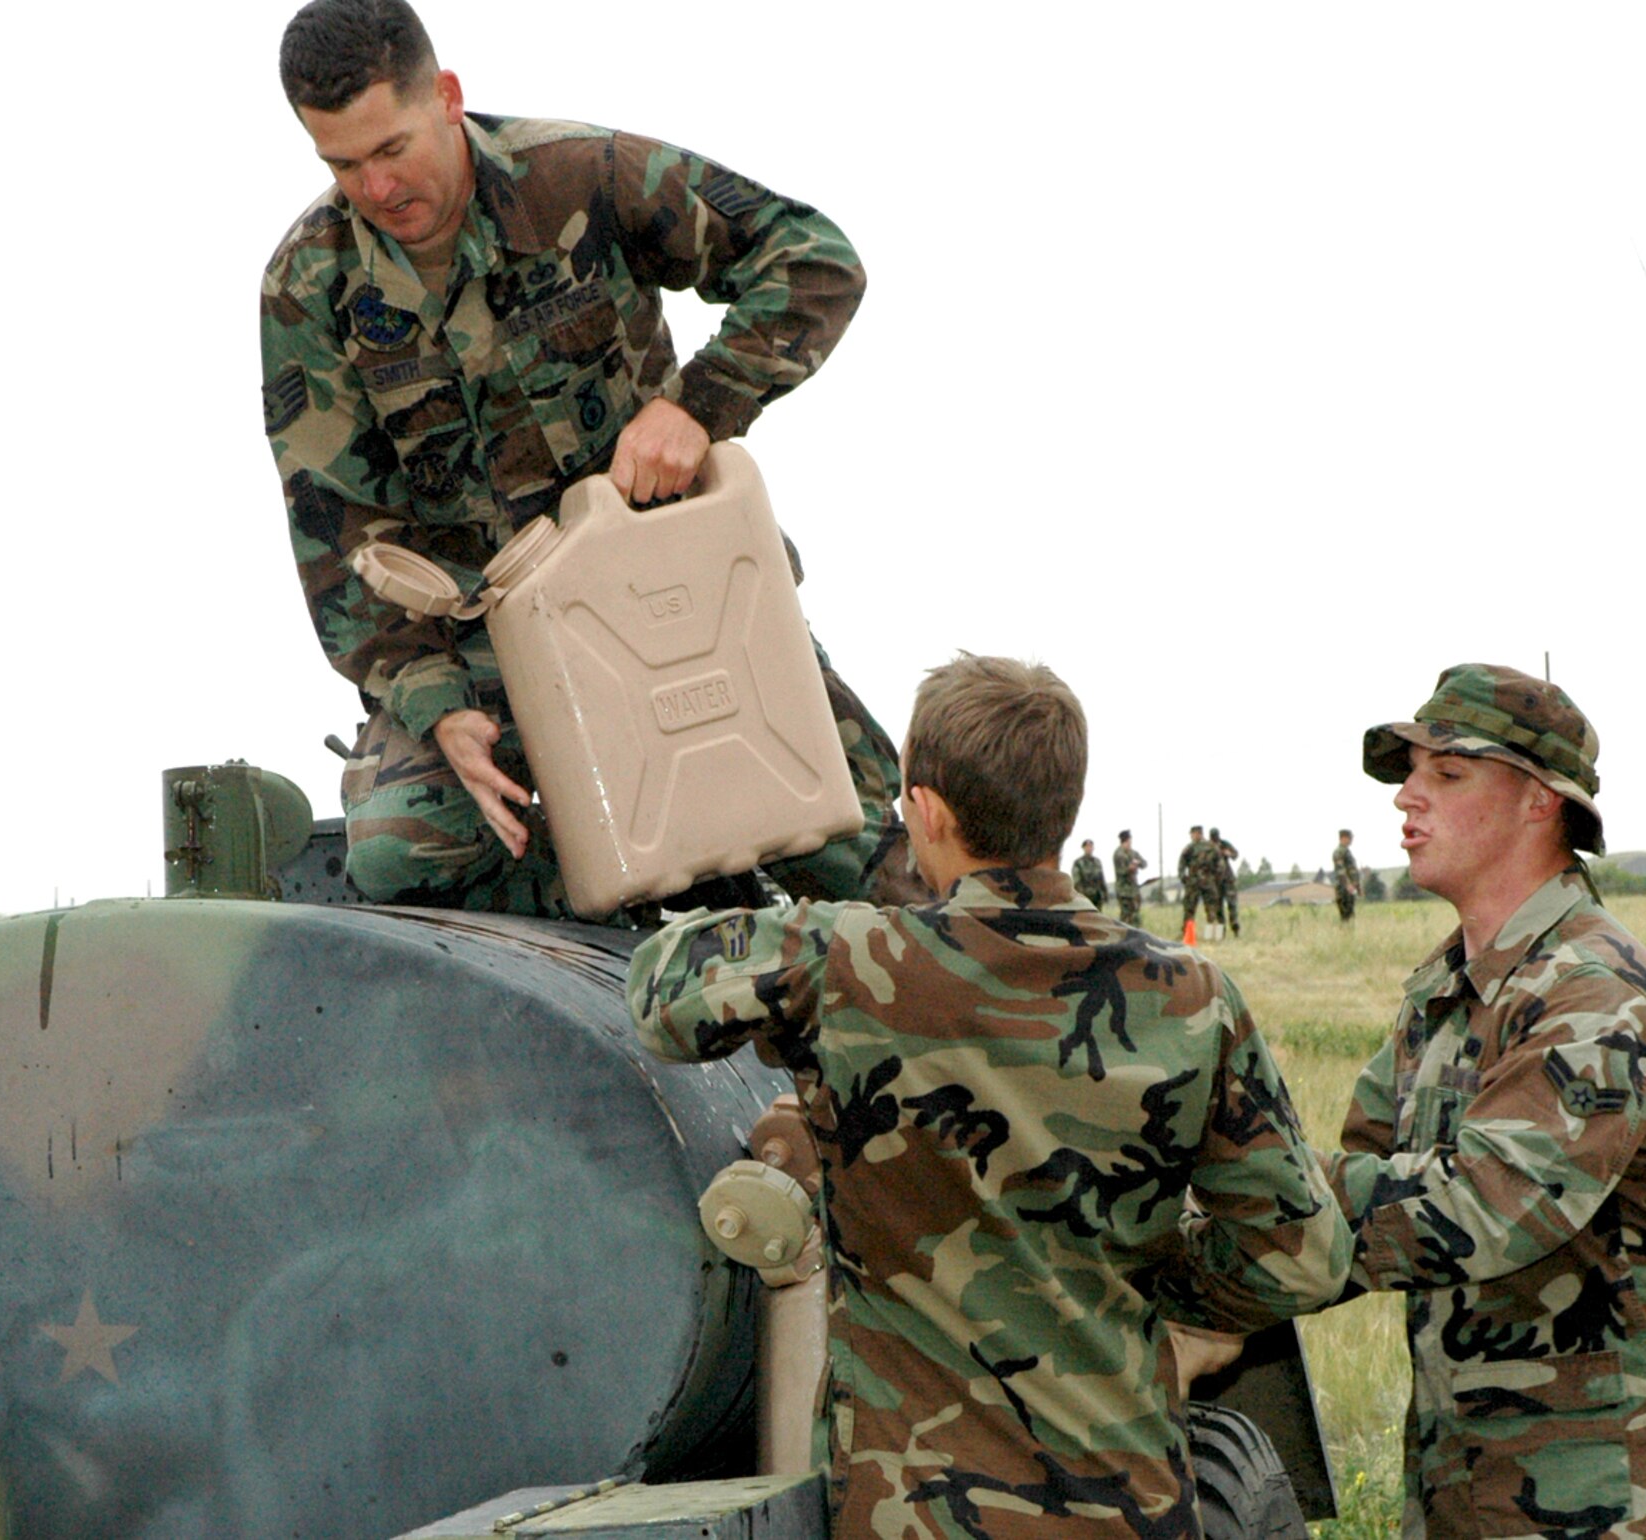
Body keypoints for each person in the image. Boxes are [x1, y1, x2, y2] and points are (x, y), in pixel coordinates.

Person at [630, 654, 1348, 1539]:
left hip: (917, 1515)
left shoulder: (850, 961)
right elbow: (1301, 1254)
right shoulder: (1194, 996)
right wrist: (1154, 1285)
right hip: (1126, 1507)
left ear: (925, 810)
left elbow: (661, 996)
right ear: (1065, 810)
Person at [262, 0, 908, 916]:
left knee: (871, 862)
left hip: (674, 608)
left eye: (392, 150)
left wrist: (700, 406)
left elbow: (813, 258)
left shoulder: (578, 176)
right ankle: (625, 910)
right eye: (342, 165)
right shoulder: (309, 287)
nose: (375, 189)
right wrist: (437, 705)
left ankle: (728, 867)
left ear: (445, 97)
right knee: (400, 850)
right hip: (485, 652)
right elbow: (337, 534)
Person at [1318, 662, 1646, 1537]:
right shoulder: (1448, 991)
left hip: (1619, 1496)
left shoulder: (1598, 994)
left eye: (1447, 773)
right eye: (1410, 774)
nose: (1407, 799)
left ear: (1539, 801)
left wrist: (1254, 1212)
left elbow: (1479, 1207)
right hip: (1470, 1483)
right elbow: (1350, 1177)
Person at [1177, 824, 1211, 937]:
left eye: (1193, 834)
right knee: (1190, 909)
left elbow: (1218, 864)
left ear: (1198, 834)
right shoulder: (1190, 848)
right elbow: (1181, 864)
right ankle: (1188, 934)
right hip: (1195, 883)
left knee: (1210, 909)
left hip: (1205, 883)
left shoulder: (1209, 847)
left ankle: (1210, 935)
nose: (1192, 836)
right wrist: (1183, 878)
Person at [1113, 829, 1148, 925]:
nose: (1129, 844)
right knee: (1125, 916)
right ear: (1123, 842)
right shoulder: (1118, 854)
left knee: (1136, 915)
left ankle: (1137, 935)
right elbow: (1122, 871)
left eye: (1130, 842)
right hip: (1123, 891)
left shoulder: (1133, 853)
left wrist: (1138, 863)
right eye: (1127, 842)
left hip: (1134, 890)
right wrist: (1130, 868)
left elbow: (1144, 864)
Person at [1214, 828, 1241, 937]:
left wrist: (1228, 853)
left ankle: (1235, 930)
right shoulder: (1208, 846)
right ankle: (1221, 933)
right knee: (1218, 908)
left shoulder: (1224, 844)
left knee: (1232, 906)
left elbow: (1235, 854)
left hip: (1228, 879)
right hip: (1215, 882)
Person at [1070, 837, 1108, 909]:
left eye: (1091, 846)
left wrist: (1105, 893)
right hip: (1085, 896)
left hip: (1097, 896)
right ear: (1083, 848)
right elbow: (1077, 881)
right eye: (1087, 846)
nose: (1089, 848)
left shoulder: (1097, 862)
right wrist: (1082, 895)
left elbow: (1101, 878)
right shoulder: (1078, 863)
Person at [1331, 829, 1359, 922]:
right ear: (1343, 838)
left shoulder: (1347, 852)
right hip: (1343, 888)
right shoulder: (1339, 852)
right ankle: (1345, 934)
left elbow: (1352, 871)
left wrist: (1357, 886)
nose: (1351, 840)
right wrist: (1348, 885)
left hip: (1349, 888)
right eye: (1349, 838)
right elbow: (1341, 871)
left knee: (1350, 914)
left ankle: (1349, 934)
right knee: (1345, 915)